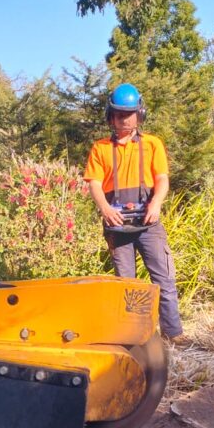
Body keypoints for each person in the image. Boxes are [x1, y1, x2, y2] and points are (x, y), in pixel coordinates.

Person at [83, 83, 187, 345]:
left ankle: (173, 335)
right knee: (127, 285)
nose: (124, 119)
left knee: (163, 278)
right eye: (119, 114)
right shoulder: (100, 148)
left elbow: (162, 179)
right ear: (111, 115)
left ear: (139, 114)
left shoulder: (153, 145)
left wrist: (156, 204)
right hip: (117, 226)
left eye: (129, 114)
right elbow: (94, 183)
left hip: (148, 223)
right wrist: (105, 209)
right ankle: (137, 339)